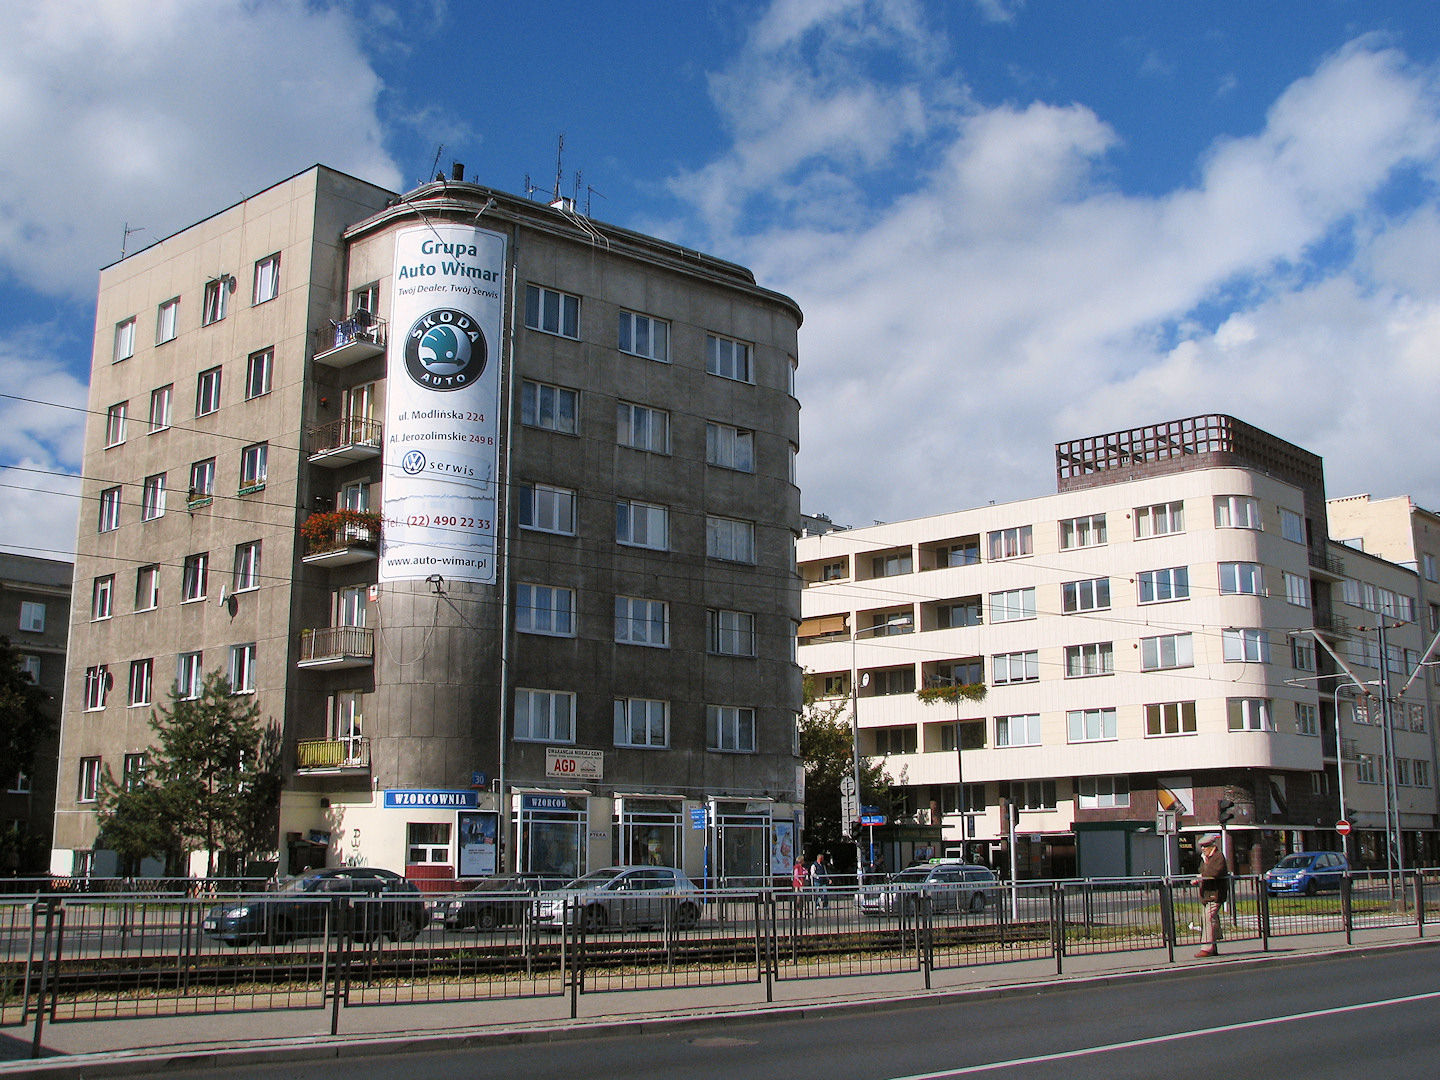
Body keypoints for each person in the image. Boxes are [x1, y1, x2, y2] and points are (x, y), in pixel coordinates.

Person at [1194, 833, 1229, 957]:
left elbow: (1214, 872)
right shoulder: (1206, 858)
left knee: (1209, 917)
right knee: (1209, 918)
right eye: (1202, 846)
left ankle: (1207, 947)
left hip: (1215, 893)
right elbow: (1202, 870)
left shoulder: (1218, 857)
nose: (1203, 849)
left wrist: (1200, 877)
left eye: (1205, 846)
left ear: (1212, 846)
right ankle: (1213, 945)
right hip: (1207, 894)